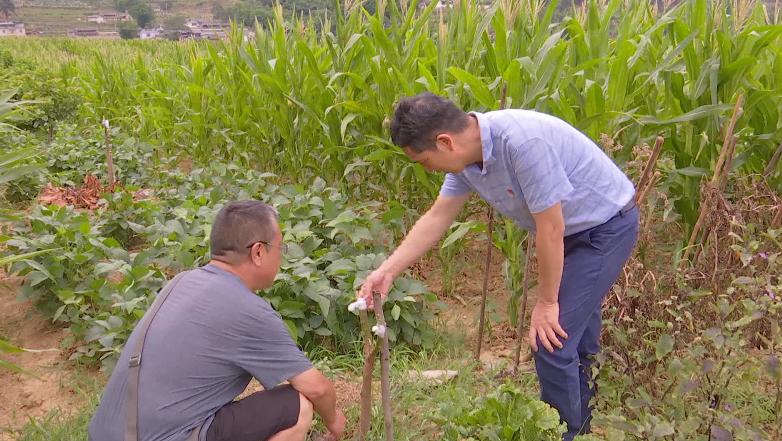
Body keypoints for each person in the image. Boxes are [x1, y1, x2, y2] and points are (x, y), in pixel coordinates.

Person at [359, 93, 638, 440]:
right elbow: (438, 216)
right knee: (575, 340)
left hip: (604, 227)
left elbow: (551, 228)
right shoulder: (467, 161)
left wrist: (547, 303)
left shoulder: (521, 143)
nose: (427, 169)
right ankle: (581, 428)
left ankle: (558, 434)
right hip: (570, 231)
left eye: (423, 160)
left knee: (550, 341)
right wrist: (387, 270)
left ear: (444, 142)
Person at [89, 200, 346, 441]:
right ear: (258, 252)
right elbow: (316, 388)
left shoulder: (182, 282)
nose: (282, 256)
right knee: (296, 406)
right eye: (281, 247)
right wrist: (335, 422)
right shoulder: (247, 310)